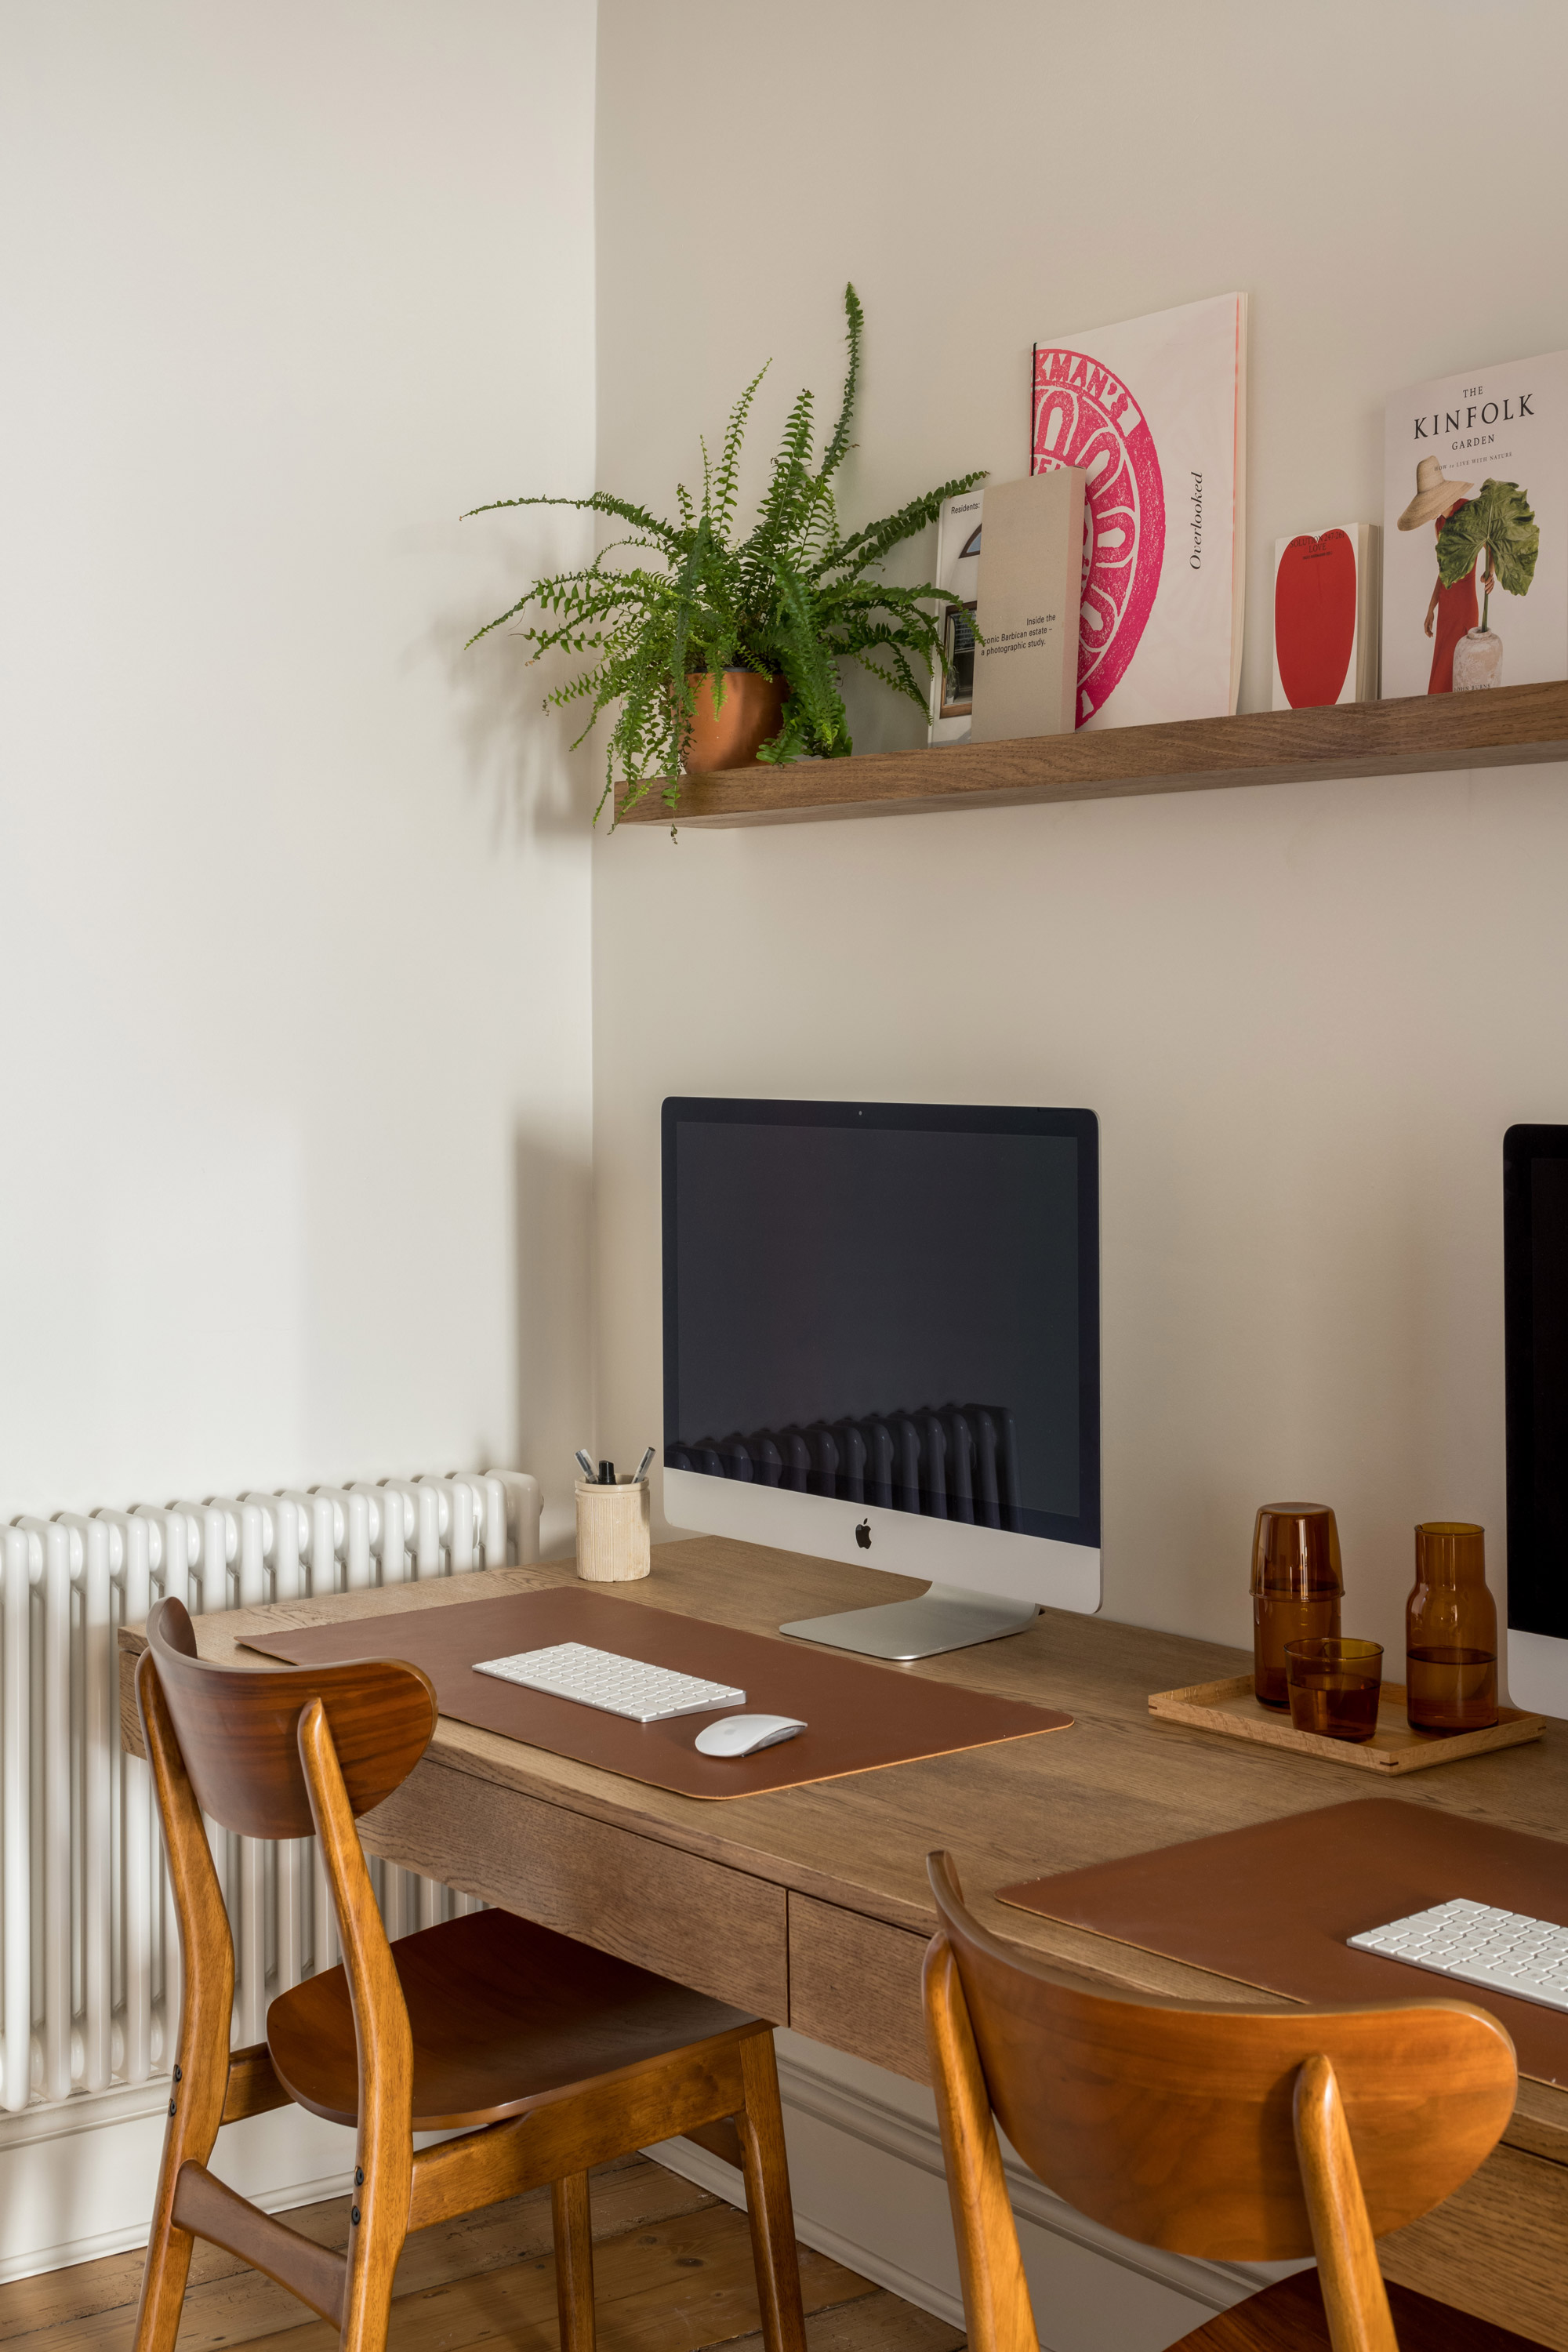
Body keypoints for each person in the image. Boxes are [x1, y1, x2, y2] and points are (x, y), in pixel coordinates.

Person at [1397, 457, 1494, 694]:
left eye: (1428, 503)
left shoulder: (1469, 511)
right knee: (1442, 667)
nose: (1427, 511)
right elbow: (1445, 570)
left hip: (1465, 604)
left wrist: (1490, 572)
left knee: (1464, 666)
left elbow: (1490, 545)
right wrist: (1431, 608)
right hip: (1446, 608)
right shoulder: (1439, 524)